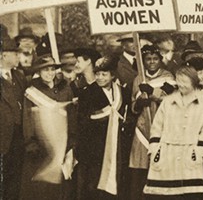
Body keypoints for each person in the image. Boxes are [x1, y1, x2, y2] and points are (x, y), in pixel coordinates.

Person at [143, 67, 203, 198]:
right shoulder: (167, 102)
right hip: (166, 154)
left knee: (188, 193)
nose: (181, 85)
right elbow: (157, 127)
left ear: (193, 82)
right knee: (165, 194)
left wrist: (200, 152)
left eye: (185, 81)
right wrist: (154, 150)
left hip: (190, 154)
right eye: (179, 81)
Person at [21, 56, 76, 199]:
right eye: (45, 70)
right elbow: (27, 120)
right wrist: (31, 143)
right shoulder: (32, 91)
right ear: (39, 72)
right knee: (43, 187)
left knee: (62, 185)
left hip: (62, 143)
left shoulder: (65, 88)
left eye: (52, 69)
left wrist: (71, 141)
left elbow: (71, 116)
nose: (49, 73)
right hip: (41, 144)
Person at [76, 57, 129, 199]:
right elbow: (82, 121)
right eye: (97, 74)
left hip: (117, 145)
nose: (99, 78)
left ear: (112, 75)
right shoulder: (87, 93)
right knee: (94, 183)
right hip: (96, 147)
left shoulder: (123, 93)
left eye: (104, 74)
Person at [128, 45, 175, 200]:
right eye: (148, 59)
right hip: (143, 126)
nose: (152, 62)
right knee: (140, 164)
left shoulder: (168, 77)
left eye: (155, 59)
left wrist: (151, 93)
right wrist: (141, 101)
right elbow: (133, 106)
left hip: (162, 125)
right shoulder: (138, 78)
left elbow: (167, 99)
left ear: (160, 60)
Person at [1, 38, 27, 200]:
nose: (18, 57)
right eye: (15, 54)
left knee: (15, 178)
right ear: (3, 55)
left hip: (18, 135)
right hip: (2, 134)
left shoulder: (19, 76)